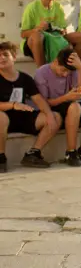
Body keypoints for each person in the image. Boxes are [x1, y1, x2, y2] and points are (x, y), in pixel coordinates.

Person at [34, 48, 81, 166]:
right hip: (51, 107)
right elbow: (44, 103)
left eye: (68, 72)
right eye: (63, 70)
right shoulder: (41, 73)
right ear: (55, 62)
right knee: (75, 107)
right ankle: (71, 152)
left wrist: (80, 69)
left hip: (67, 102)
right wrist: (65, 97)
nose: (65, 74)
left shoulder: (72, 70)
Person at [0, 41, 58, 171]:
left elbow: (38, 99)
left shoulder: (24, 78)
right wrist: (13, 105)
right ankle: (1, 157)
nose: (2, 58)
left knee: (55, 117)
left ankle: (33, 153)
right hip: (3, 119)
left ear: (14, 57)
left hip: (22, 117)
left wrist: (49, 115)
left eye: (5, 54)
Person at [20, 0, 81, 66]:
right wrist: (38, 29)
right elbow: (23, 34)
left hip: (54, 38)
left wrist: (60, 30)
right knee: (38, 36)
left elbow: (63, 30)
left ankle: (71, 67)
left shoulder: (58, 7)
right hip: (37, 42)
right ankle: (42, 70)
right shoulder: (32, 7)